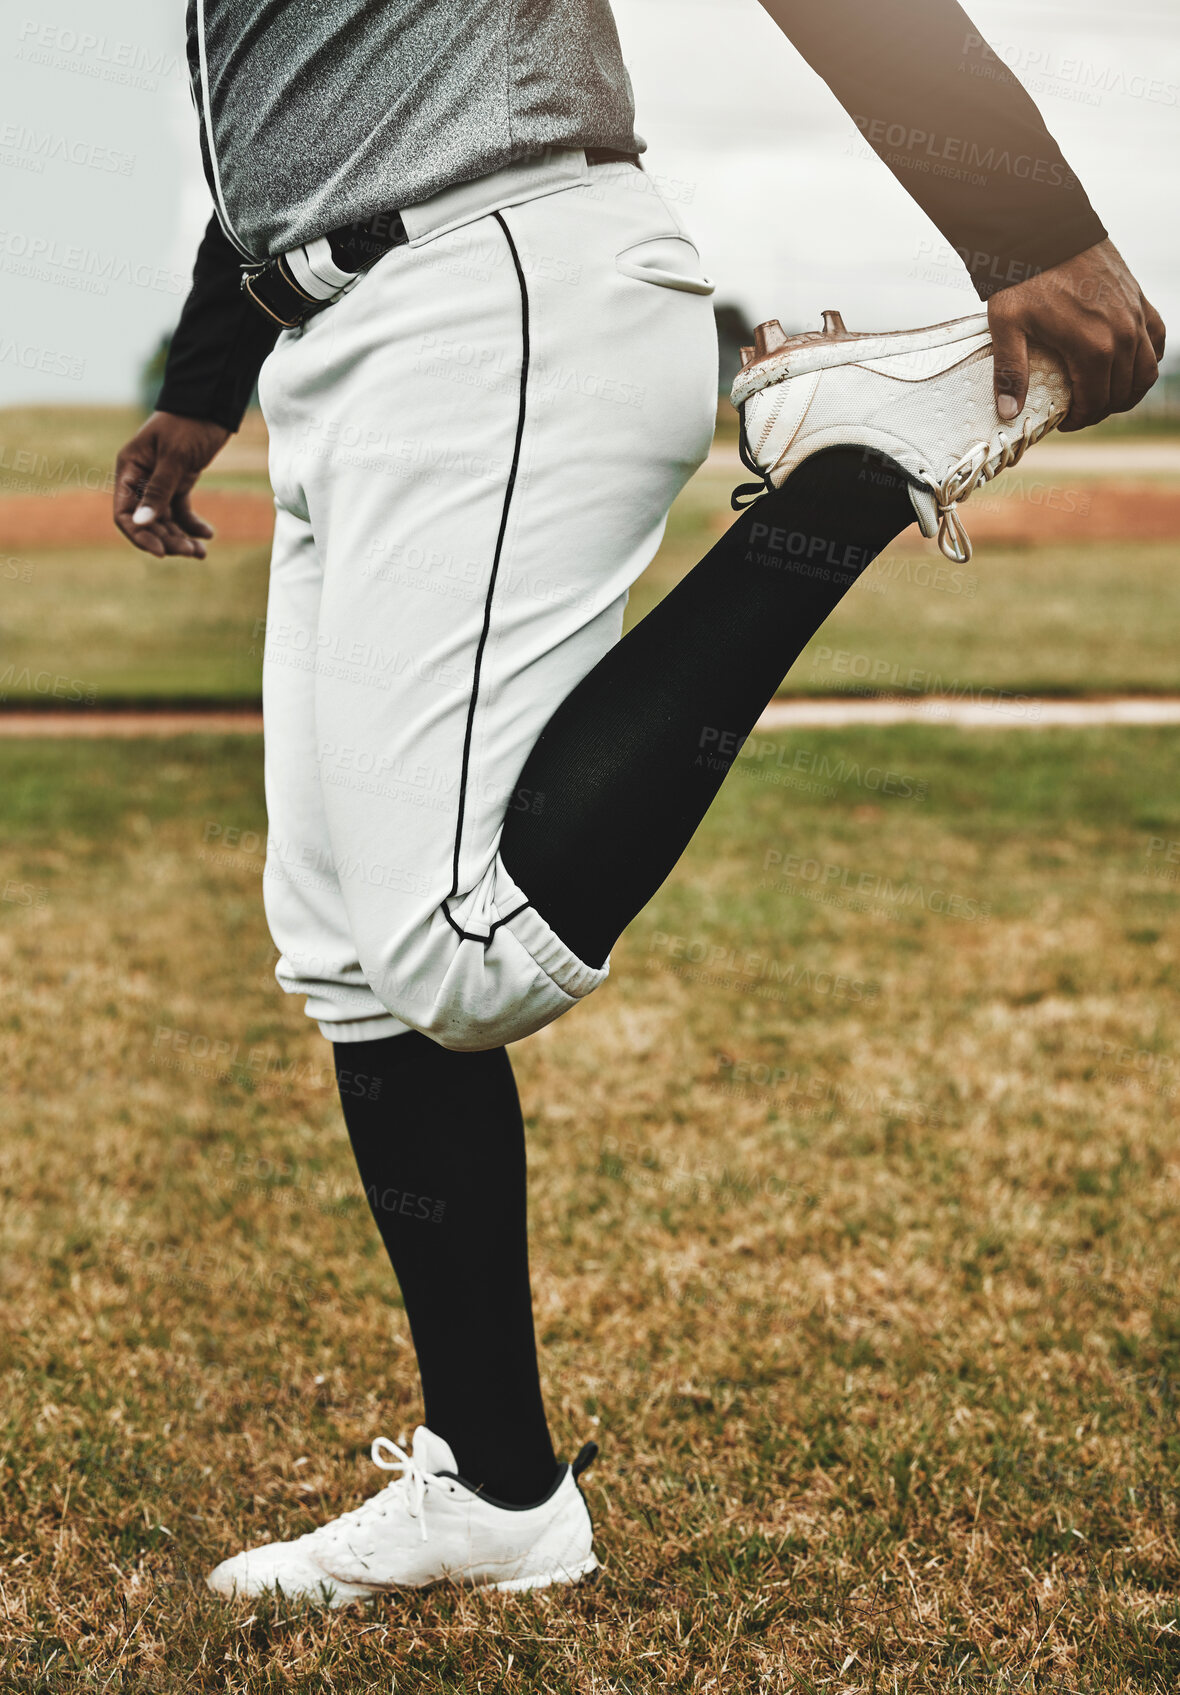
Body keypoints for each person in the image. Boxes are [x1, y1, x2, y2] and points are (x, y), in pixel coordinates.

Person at [113, 0, 1163, 1605]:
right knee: (345, 959)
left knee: (461, 950)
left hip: (492, 273)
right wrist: (212, 377)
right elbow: (291, 98)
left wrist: (1022, 222)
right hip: (347, 330)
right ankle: (496, 1490)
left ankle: (864, 462)